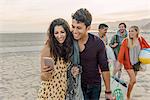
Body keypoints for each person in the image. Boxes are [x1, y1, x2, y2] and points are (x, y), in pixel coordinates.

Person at [71, 8, 114, 100]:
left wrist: (108, 91)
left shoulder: (97, 43)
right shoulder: (69, 40)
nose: (74, 31)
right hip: (75, 84)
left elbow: (104, 68)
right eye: (73, 26)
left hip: (93, 86)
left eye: (79, 28)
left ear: (88, 28)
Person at [37, 18, 83, 100]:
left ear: (66, 32)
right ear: (52, 34)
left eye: (62, 32)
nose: (59, 36)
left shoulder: (67, 48)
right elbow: (43, 77)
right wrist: (46, 73)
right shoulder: (48, 49)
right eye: (56, 33)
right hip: (49, 93)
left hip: (62, 93)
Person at [117, 26, 150, 100]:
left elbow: (148, 47)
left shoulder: (141, 39)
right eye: (129, 31)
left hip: (137, 63)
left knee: (132, 81)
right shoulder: (126, 41)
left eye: (132, 31)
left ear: (137, 32)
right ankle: (128, 97)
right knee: (133, 80)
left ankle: (128, 94)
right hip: (128, 63)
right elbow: (121, 54)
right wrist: (119, 64)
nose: (130, 33)